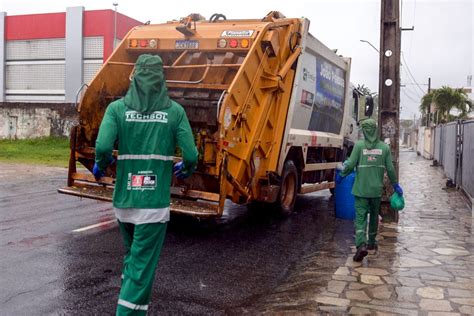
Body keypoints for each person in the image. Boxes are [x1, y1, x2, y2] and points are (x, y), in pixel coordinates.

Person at [93, 54, 198, 315]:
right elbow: (192, 155)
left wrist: (101, 163)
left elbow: (104, 146)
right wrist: (185, 170)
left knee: (133, 259)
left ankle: (128, 301)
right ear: (161, 80)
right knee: (141, 270)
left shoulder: (116, 109)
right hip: (153, 206)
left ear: (134, 78)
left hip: (124, 203)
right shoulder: (175, 112)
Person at [336, 118, 403, 262]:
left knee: (360, 218)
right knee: (373, 216)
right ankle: (371, 243)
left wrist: (341, 176)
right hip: (376, 191)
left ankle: (361, 245)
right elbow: (390, 169)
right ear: (376, 130)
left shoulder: (359, 146)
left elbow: (350, 164)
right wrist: (395, 185)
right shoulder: (384, 148)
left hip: (361, 190)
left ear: (364, 131)